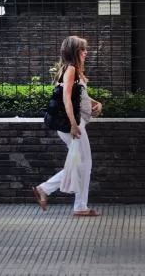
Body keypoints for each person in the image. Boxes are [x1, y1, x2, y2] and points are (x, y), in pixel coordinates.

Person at [32, 35, 102, 217]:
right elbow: (66, 98)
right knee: (84, 164)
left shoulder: (73, 70)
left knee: (80, 164)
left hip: (76, 125)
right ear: (74, 52)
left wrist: (96, 103)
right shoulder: (71, 69)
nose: (86, 52)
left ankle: (50, 192)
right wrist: (73, 124)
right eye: (82, 50)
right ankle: (75, 204)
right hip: (74, 126)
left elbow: (78, 96)